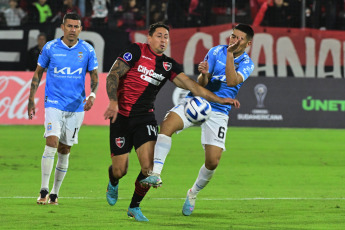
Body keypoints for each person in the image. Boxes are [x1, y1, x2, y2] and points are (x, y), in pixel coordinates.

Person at [103, 22, 239, 222]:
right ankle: (113, 180)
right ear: (149, 38)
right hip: (121, 117)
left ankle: (134, 206)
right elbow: (114, 73)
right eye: (159, 36)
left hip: (145, 119)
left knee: (148, 169)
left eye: (166, 37)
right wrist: (113, 101)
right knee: (119, 169)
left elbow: (192, 86)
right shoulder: (136, 51)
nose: (163, 40)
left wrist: (219, 99)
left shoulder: (168, 65)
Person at [141, 24, 254, 216]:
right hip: (198, 100)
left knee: (212, 162)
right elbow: (201, 83)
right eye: (232, 36)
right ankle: (156, 174)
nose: (233, 41)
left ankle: (193, 193)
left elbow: (232, 80)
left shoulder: (247, 63)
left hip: (219, 111)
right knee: (167, 125)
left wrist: (229, 55)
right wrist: (204, 74)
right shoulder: (215, 51)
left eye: (238, 39)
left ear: (248, 43)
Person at [27, 12, 99, 205]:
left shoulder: (87, 50)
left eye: (76, 27)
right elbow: (38, 73)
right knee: (51, 142)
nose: (73, 30)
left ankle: (55, 193)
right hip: (54, 103)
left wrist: (92, 95)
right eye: (69, 26)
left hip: (76, 107)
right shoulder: (50, 47)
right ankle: (43, 189)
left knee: (65, 149)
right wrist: (31, 98)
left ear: (81, 29)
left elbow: (94, 77)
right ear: (62, 27)